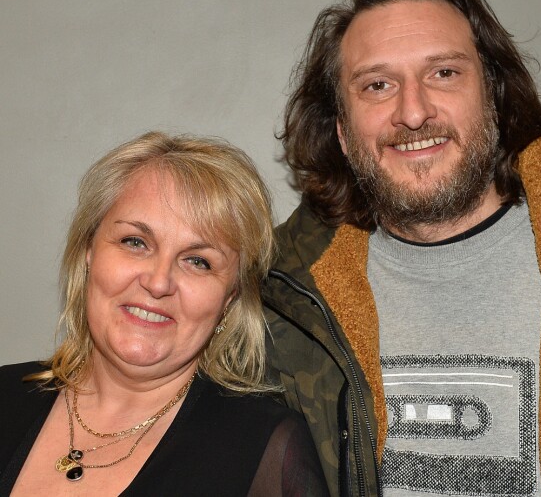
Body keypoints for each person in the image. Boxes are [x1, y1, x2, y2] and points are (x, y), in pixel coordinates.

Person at [262, 0, 541, 497]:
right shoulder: (281, 297)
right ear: (341, 130)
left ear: (494, 97)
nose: (413, 112)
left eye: (444, 73)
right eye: (378, 85)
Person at [0, 131, 329, 496]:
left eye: (198, 261)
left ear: (230, 299)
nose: (158, 283)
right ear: (88, 251)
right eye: (135, 242)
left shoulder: (265, 450)